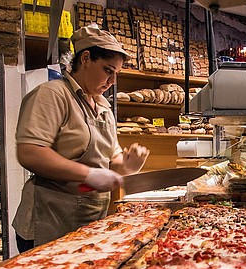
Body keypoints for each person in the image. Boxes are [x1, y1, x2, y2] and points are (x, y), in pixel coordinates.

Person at [12, 26, 149, 252]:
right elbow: (30, 152)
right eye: (108, 70)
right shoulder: (53, 95)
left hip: (90, 221)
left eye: (117, 74)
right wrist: (88, 174)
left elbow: (109, 159)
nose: (113, 81)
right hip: (50, 220)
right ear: (86, 58)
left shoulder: (104, 107)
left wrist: (127, 165)